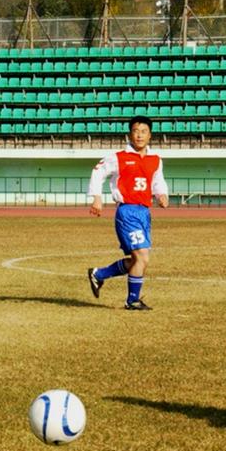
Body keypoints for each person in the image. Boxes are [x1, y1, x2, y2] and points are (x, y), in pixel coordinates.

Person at [86, 115, 168, 309]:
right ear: (130, 134)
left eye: (143, 132)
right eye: (135, 131)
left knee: (137, 259)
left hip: (144, 212)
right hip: (127, 211)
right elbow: (98, 172)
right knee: (142, 257)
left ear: (150, 135)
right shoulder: (118, 157)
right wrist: (96, 197)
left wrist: (161, 194)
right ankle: (132, 301)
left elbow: (157, 181)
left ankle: (99, 274)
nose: (139, 135)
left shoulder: (155, 159)